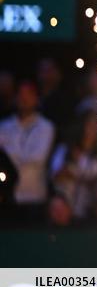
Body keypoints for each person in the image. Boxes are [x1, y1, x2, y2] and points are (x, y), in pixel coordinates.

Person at [0, 81, 55, 221]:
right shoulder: (3, 127)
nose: (24, 98)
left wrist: (8, 154)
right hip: (7, 199)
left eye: (28, 94)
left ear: (36, 98)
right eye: (20, 94)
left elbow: (37, 159)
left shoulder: (46, 127)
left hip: (35, 199)